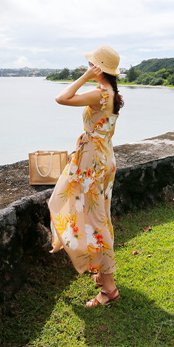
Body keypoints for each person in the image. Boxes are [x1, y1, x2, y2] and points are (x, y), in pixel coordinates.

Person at [48, 44, 124, 308]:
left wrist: (84, 77)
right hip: (102, 158)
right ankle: (103, 275)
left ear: (98, 68)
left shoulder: (100, 92)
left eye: (92, 65)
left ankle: (109, 287)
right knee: (98, 215)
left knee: (94, 219)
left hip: (93, 161)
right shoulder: (112, 92)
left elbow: (62, 98)